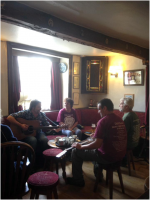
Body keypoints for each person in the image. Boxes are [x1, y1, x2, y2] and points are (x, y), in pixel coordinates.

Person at [66, 98, 127, 187]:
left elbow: (97, 144)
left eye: (99, 109)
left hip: (108, 157)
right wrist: (96, 136)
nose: (98, 111)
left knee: (76, 151)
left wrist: (81, 147)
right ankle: (99, 176)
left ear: (104, 108)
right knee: (95, 150)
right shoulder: (120, 120)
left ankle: (78, 180)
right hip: (120, 156)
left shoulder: (103, 121)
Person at [7, 100, 50, 167]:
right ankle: (32, 164)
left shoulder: (42, 115)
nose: (40, 108)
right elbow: (9, 117)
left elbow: (47, 125)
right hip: (26, 135)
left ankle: (43, 163)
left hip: (39, 133)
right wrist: (21, 125)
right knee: (33, 140)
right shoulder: (25, 113)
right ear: (33, 107)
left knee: (44, 140)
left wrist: (54, 128)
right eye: (38, 107)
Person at [119, 97, 140, 166]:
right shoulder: (134, 114)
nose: (119, 105)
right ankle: (123, 161)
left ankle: (114, 163)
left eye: (121, 103)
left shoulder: (127, 117)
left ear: (127, 106)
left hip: (129, 144)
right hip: (135, 142)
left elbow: (122, 133)